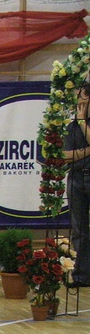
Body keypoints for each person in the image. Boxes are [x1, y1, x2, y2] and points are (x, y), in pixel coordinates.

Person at [63, 83, 90, 288]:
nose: (77, 102)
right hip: (77, 178)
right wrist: (88, 151)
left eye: (80, 97)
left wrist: (82, 122)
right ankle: (82, 275)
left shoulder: (79, 123)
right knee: (79, 229)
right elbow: (65, 156)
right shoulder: (71, 126)